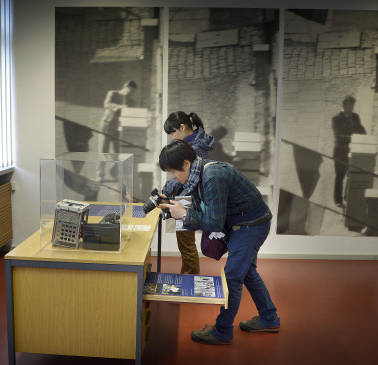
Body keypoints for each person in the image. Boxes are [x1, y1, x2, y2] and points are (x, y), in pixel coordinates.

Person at [158, 140, 280, 345]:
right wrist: (174, 208)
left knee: (232, 276)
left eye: (173, 171)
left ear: (186, 163)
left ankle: (222, 331)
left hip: (251, 226)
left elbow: (214, 222)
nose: (173, 176)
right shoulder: (198, 174)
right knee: (248, 273)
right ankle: (270, 318)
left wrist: (184, 214)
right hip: (242, 224)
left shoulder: (213, 177)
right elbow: (204, 211)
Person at [162, 111, 215, 275]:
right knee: (185, 244)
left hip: (187, 198)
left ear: (182, 127)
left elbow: (184, 179)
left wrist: (166, 190)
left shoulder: (195, 149)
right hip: (186, 197)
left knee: (186, 244)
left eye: (173, 132)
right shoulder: (195, 145)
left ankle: (189, 277)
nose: (173, 137)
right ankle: (187, 275)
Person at [332, 95, 366, 208]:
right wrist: (353, 138)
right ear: (344, 106)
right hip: (340, 152)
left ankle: (348, 196)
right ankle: (338, 200)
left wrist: (365, 137)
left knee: (351, 174)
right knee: (340, 176)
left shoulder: (355, 117)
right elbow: (338, 136)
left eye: (352, 106)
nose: (351, 109)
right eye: (349, 106)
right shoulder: (336, 119)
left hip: (353, 150)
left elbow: (361, 129)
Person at [100, 80, 138, 154]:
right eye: (132, 91)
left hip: (120, 130)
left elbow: (131, 115)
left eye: (134, 92)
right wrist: (120, 107)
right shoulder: (113, 93)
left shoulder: (132, 102)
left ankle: (116, 165)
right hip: (107, 126)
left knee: (118, 155)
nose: (132, 94)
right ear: (127, 87)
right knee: (103, 154)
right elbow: (107, 104)